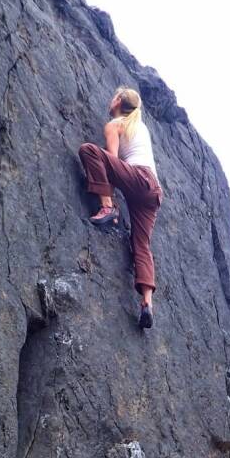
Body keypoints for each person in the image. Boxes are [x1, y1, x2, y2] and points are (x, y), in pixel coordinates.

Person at [79, 87, 163, 329]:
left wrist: (108, 196)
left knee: (89, 151)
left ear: (117, 100)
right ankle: (147, 302)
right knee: (141, 245)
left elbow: (110, 161)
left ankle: (108, 208)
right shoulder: (140, 126)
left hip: (138, 178)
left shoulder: (115, 124)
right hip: (152, 191)